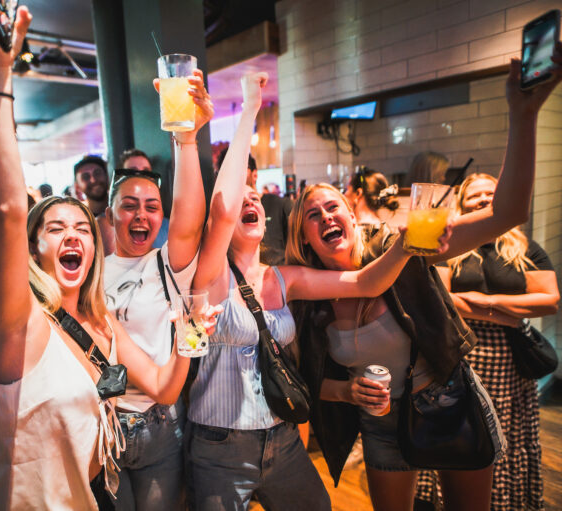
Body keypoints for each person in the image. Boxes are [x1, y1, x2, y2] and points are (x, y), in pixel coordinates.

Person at [287, 49, 562, 511]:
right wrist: (347, 390)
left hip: (451, 402)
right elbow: (304, 380)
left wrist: (524, 112)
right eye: (312, 215)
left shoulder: (404, 244)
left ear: (353, 216)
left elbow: (508, 212)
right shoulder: (309, 298)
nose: (326, 216)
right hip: (381, 423)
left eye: (333, 205)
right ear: (306, 240)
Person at [0, 5, 217, 509]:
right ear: (33, 246)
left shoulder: (101, 319)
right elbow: (4, 211)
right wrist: (0, 75)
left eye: (80, 228)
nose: (73, 237)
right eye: (56, 229)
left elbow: (164, 389)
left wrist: (190, 338)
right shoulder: (26, 323)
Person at [186, 72, 420, 511]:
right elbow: (221, 209)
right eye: (242, 198)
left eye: (256, 199)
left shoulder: (284, 278)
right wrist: (251, 108)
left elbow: (366, 281)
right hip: (220, 445)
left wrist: (407, 246)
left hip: (283, 437)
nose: (248, 202)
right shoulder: (210, 273)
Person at [415, 173, 560, 511]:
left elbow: (550, 300)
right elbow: (444, 298)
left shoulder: (524, 248)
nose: (483, 201)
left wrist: (483, 302)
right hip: (460, 354)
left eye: (490, 195)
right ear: (463, 208)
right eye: (474, 197)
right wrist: (509, 310)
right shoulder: (452, 248)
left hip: (509, 362)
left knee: (505, 435)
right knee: (465, 433)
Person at [103, 75, 213, 510]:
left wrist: (187, 140)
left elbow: (191, 218)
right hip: (104, 422)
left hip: (160, 423)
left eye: (152, 206)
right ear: (110, 215)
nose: (141, 213)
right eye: (129, 204)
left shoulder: (167, 265)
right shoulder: (91, 274)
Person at [216, 149, 292, 265]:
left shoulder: (282, 206)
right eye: (226, 169)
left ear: (254, 174)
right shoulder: (224, 216)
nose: (233, 173)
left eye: (240, 167)